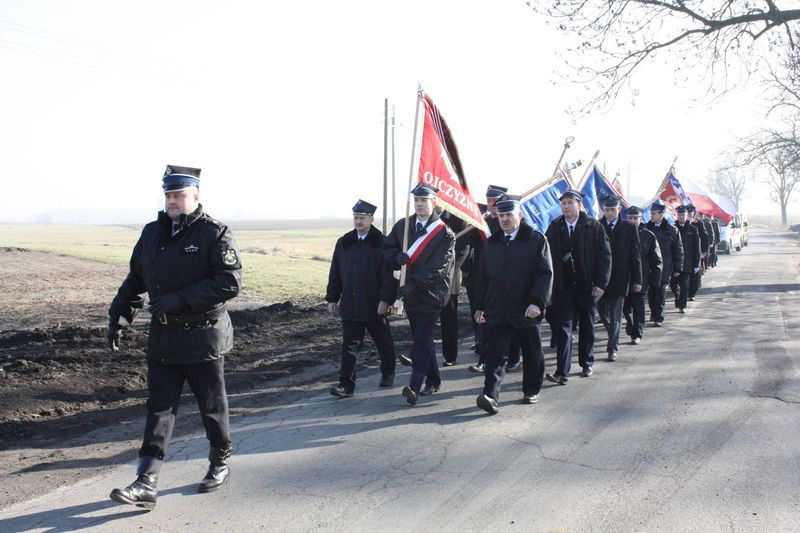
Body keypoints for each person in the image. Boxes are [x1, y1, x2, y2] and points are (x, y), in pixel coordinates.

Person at [107, 165, 242, 510]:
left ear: (195, 196)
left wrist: (182, 299)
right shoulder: (152, 233)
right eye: (168, 194)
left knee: (211, 408)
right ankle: (146, 481)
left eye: (179, 195)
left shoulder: (214, 233)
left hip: (203, 337)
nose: (172, 201)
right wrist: (119, 316)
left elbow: (229, 282)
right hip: (164, 336)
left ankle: (219, 462)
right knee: (159, 409)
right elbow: (136, 279)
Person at [473, 198, 552, 414]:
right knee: (495, 354)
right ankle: (490, 395)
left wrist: (537, 302)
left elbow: (544, 274)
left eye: (509, 215)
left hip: (526, 308)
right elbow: (482, 277)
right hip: (498, 308)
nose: (505, 219)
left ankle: (531, 390)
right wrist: (480, 306)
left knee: (531, 351)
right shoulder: (492, 243)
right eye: (501, 215)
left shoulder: (535, 240)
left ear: (519, 215)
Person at [384, 183, 455, 405]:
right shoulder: (403, 227)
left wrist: (414, 284)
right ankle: (433, 379)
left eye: (424, 200)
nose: (420, 204)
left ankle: (414, 386)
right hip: (410, 292)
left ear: (433, 202)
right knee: (421, 338)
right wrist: (396, 258)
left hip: (432, 293)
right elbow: (386, 249)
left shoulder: (444, 232)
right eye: (416, 200)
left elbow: (439, 267)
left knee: (423, 337)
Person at [326, 199, 397, 398]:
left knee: (383, 342)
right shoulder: (344, 242)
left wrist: (385, 300)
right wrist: (332, 298)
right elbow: (336, 272)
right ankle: (346, 385)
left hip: (374, 304)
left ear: (371, 219)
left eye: (362, 218)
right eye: (356, 218)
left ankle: (388, 373)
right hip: (350, 303)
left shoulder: (382, 243)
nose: (358, 221)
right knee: (349, 345)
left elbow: (388, 275)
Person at [544, 189, 611, 384]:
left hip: (587, 286)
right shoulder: (555, 227)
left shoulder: (593, 226)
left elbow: (605, 257)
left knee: (587, 326)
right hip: (563, 287)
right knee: (564, 327)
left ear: (579, 205)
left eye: (569, 203)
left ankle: (586, 362)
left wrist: (601, 284)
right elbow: (546, 256)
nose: (565, 207)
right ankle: (562, 371)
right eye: (563, 203)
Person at [464, 185, 507, 374]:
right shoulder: (481, 222)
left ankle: (506, 355)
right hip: (482, 276)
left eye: (495, 201)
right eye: (488, 201)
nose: (491, 204)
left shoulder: (508, 222)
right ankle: (482, 351)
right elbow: (466, 243)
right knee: (482, 316)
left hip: (504, 278)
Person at [597, 196, 642, 362]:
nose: (609, 213)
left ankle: (612, 348)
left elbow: (635, 255)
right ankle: (613, 333)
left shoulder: (629, 228)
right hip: (601, 279)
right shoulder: (597, 225)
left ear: (619, 210)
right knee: (601, 312)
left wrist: (637, 280)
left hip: (620, 278)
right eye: (606, 210)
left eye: (612, 210)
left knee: (616, 314)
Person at [623, 206, 661, 344]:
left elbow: (656, 261)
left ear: (641, 219)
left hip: (642, 278)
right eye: (630, 218)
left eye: (635, 218)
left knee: (638, 307)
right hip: (624, 278)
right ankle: (629, 321)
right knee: (625, 307)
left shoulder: (648, 236)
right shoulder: (621, 233)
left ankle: (637, 333)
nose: (632, 221)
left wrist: (656, 280)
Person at [645, 202, 683, 327]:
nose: (652, 215)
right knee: (651, 292)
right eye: (651, 213)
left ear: (661, 214)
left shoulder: (671, 230)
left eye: (654, 213)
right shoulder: (646, 229)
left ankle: (659, 317)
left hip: (665, 266)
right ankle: (653, 311)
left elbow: (678, 250)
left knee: (660, 291)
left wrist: (677, 268)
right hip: (649, 266)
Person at [674, 205, 701, 313]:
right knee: (673, 284)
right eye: (679, 215)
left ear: (687, 216)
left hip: (687, 263)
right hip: (674, 263)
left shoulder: (692, 230)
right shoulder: (672, 228)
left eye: (683, 215)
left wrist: (696, 264)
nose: (681, 217)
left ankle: (682, 306)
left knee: (684, 286)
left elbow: (696, 248)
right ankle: (677, 298)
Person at [687, 205, 708, 300]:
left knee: (695, 273)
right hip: (685, 253)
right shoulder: (680, 224)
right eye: (688, 213)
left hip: (696, 251)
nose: (689, 215)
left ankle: (692, 293)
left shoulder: (698, 224)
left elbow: (705, 238)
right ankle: (686, 292)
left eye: (691, 213)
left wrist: (704, 251)